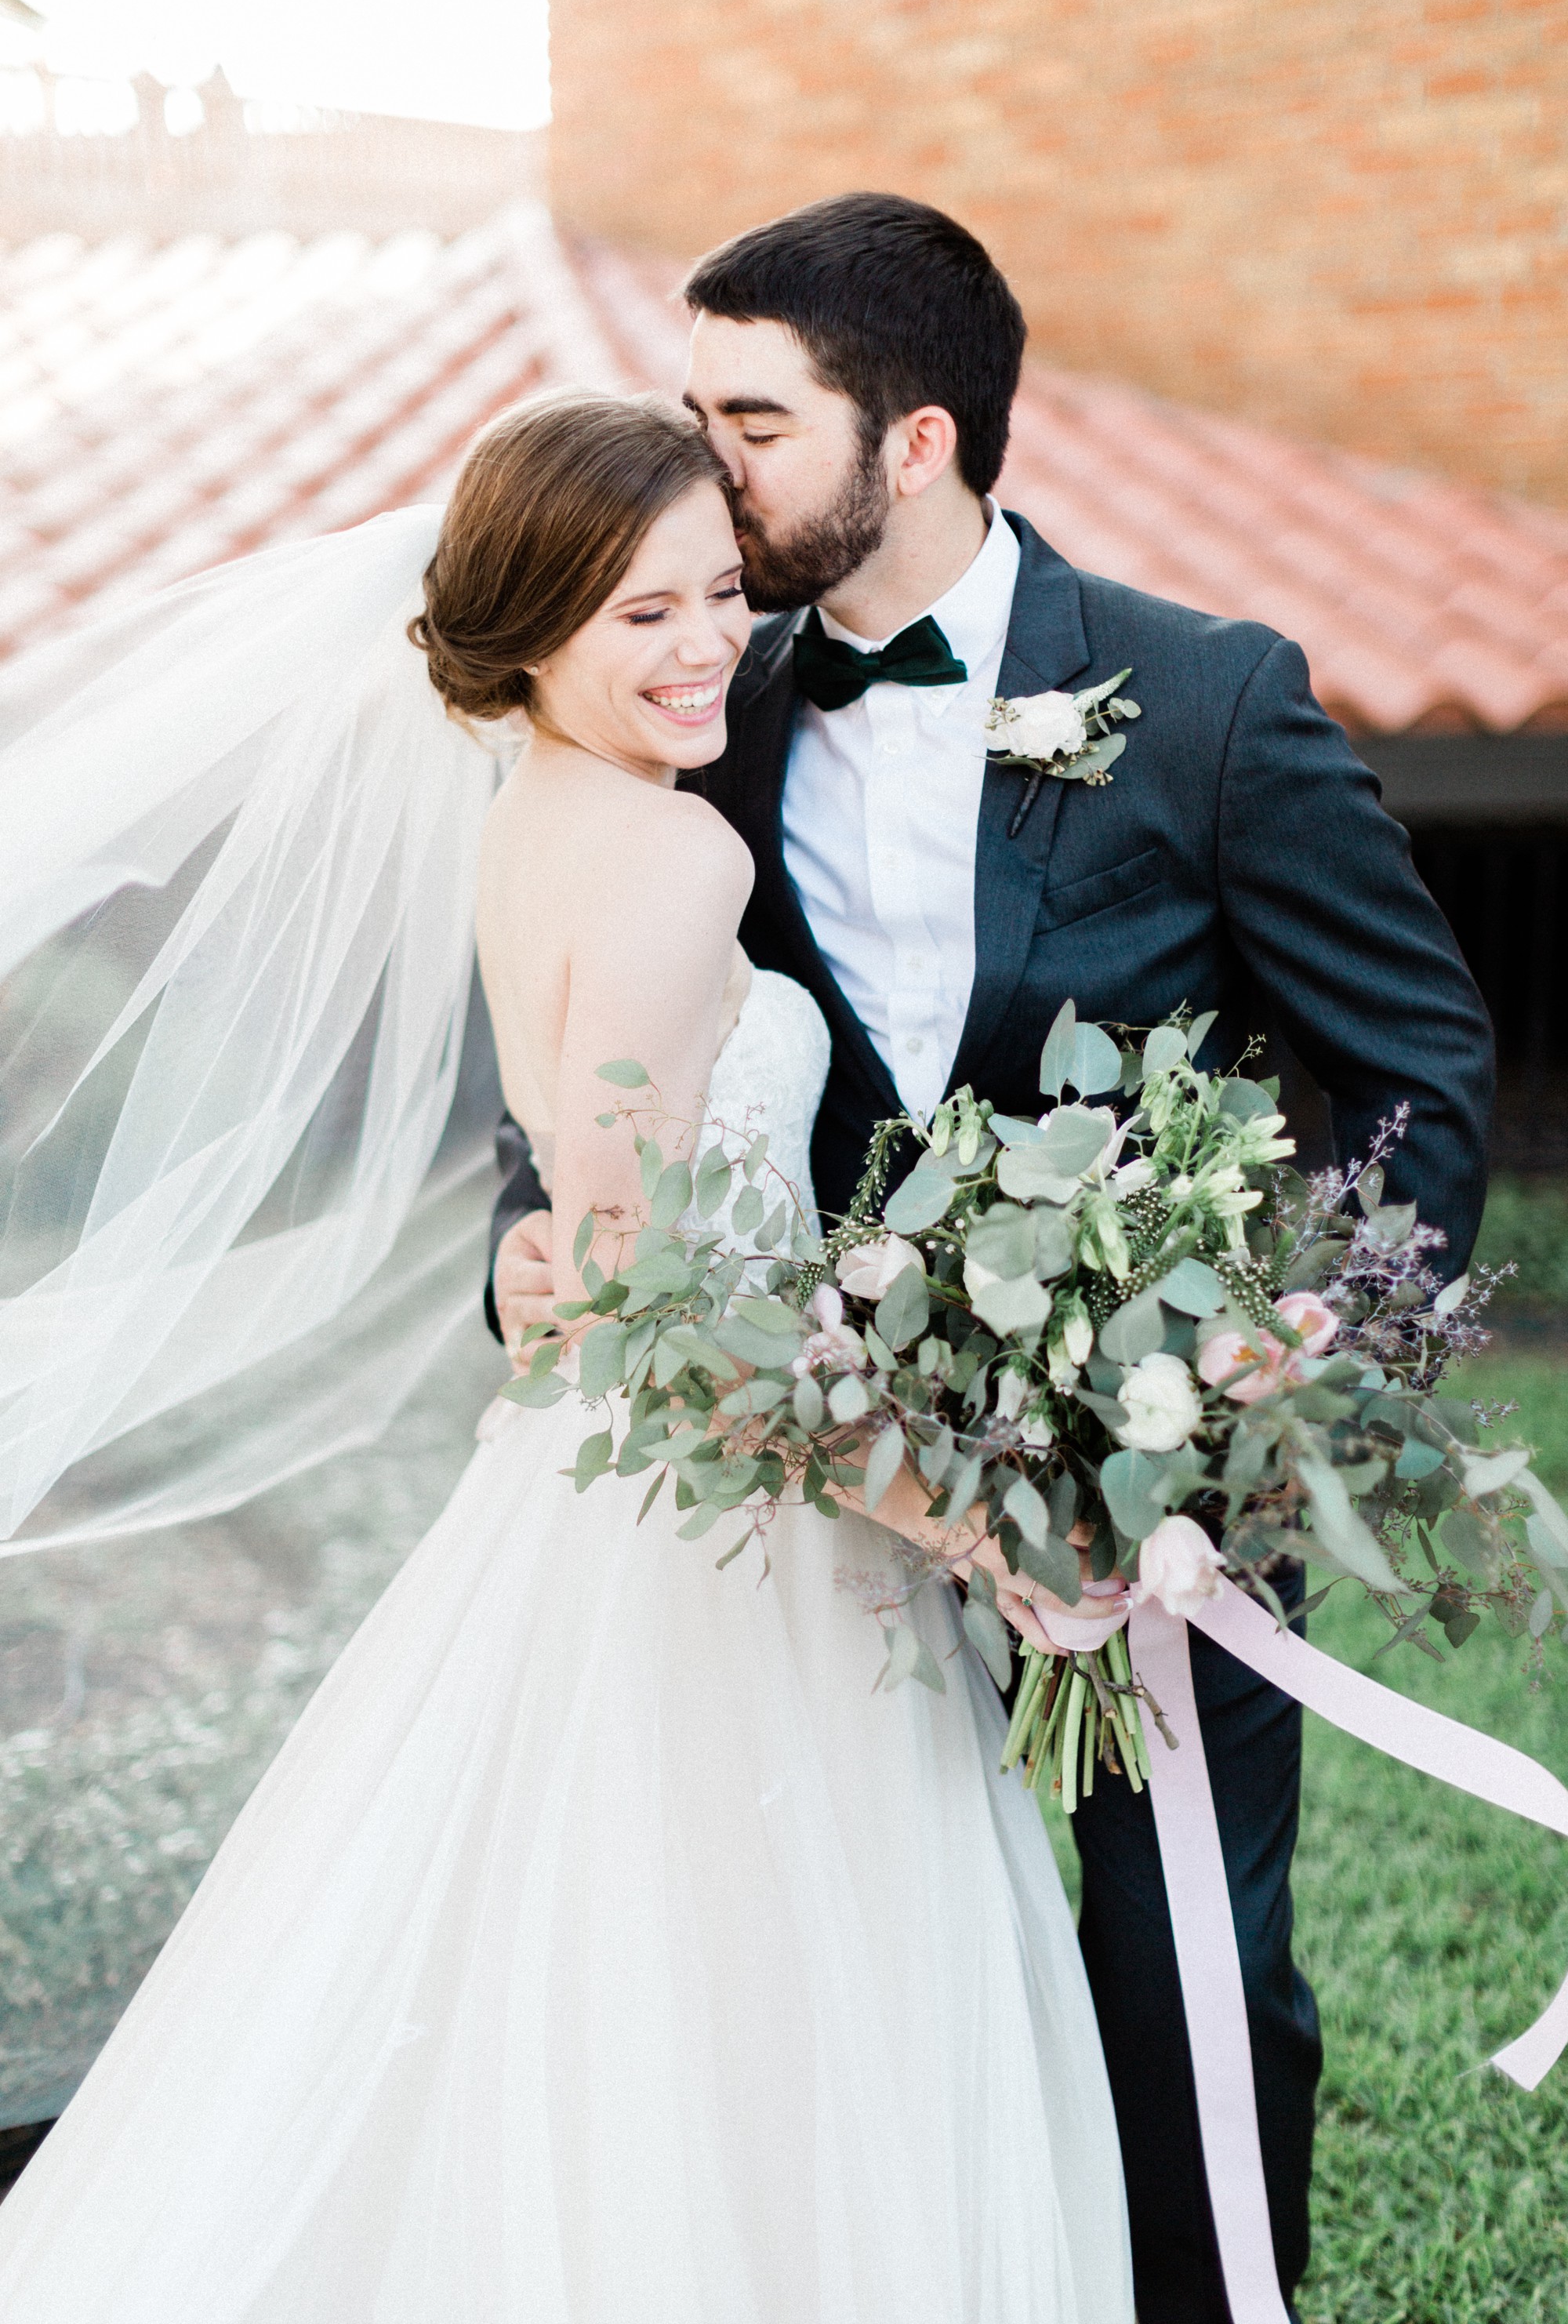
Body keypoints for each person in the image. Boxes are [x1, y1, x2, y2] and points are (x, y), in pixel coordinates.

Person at [0, 390, 1134, 2320]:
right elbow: (660, 1307)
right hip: (728, 1537)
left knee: (580, 1970)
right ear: (527, 627)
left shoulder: (538, 821)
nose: (703, 647)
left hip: (616, 1492)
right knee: (751, 1997)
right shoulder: (677, 860)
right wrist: (957, 1509)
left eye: (718, 597)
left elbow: (605, 1252)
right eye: (638, 615)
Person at [485, 194, 1497, 2322]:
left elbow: (1410, 1058)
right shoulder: (698, 701)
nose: (709, 466)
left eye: (751, 420)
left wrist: (1324, 1340)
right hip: (824, 1500)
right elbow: (605, 1056)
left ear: (914, 441)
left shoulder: (1205, 704)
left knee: (1180, 1962)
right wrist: (524, 1243)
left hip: (1157, 1487)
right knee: (845, 1985)